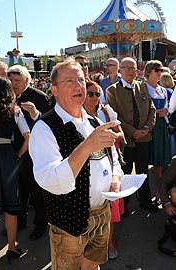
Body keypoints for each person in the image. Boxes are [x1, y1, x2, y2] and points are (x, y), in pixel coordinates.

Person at [29, 58, 123, 270]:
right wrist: (85, 147)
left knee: (92, 265)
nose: (78, 85)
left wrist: (116, 178)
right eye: (69, 80)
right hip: (69, 221)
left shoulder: (94, 121)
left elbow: (113, 158)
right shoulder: (45, 127)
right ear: (53, 90)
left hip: (101, 214)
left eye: (81, 79)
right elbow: (49, 179)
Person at [106, 57, 159, 214]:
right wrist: (132, 132)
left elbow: (152, 110)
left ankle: (145, 200)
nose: (130, 71)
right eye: (127, 68)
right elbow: (114, 117)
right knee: (126, 172)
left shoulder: (142, 86)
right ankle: (124, 205)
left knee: (143, 172)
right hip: (126, 140)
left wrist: (147, 128)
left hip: (145, 138)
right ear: (120, 70)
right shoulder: (112, 90)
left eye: (133, 68)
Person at [7, 65, 50, 240]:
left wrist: (34, 113)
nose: (13, 83)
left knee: (35, 190)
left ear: (26, 79)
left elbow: (48, 122)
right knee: (18, 191)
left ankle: (40, 224)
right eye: (11, 80)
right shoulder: (8, 97)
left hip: (33, 152)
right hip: (12, 150)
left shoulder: (38, 96)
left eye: (17, 80)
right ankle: (19, 222)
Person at [84, 80, 125, 260]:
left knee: (110, 209)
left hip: (109, 160)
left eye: (97, 94)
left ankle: (109, 243)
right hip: (88, 165)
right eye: (90, 93)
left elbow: (121, 133)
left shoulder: (106, 111)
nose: (94, 97)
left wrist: (113, 136)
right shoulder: (77, 115)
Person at [0, 77, 29, 264]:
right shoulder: (14, 111)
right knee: (11, 207)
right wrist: (17, 155)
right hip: (8, 157)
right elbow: (28, 137)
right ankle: (11, 247)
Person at [144, 60, 172, 204]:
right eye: (157, 70)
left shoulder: (161, 89)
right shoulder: (143, 88)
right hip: (150, 127)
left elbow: (167, 106)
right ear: (149, 72)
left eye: (161, 70)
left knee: (160, 161)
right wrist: (155, 113)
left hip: (161, 126)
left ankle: (159, 193)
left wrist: (165, 112)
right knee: (152, 162)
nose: (160, 72)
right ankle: (152, 193)